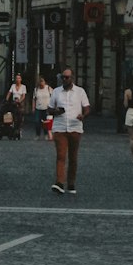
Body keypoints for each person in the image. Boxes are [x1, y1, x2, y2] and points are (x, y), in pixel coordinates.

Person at [47, 65, 90, 195]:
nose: (64, 79)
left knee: (73, 157)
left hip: (75, 127)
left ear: (72, 78)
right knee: (60, 155)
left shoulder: (80, 92)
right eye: (62, 77)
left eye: (66, 77)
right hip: (59, 127)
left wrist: (83, 115)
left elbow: (87, 107)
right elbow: (49, 108)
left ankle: (71, 183)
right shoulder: (56, 92)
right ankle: (59, 182)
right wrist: (55, 111)